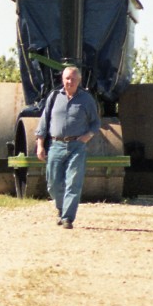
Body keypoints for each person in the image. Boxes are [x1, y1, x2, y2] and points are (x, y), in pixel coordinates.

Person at [36, 65, 101, 229]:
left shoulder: (86, 99)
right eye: (67, 78)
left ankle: (67, 218)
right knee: (53, 183)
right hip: (56, 145)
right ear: (62, 79)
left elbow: (95, 123)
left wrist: (88, 136)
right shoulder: (54, 96)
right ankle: (60, 208)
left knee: (73, 182)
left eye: (73, 78)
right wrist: (40, 145)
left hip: (76, 147)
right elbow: (44, 122)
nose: (69, 81)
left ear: (79, 80)